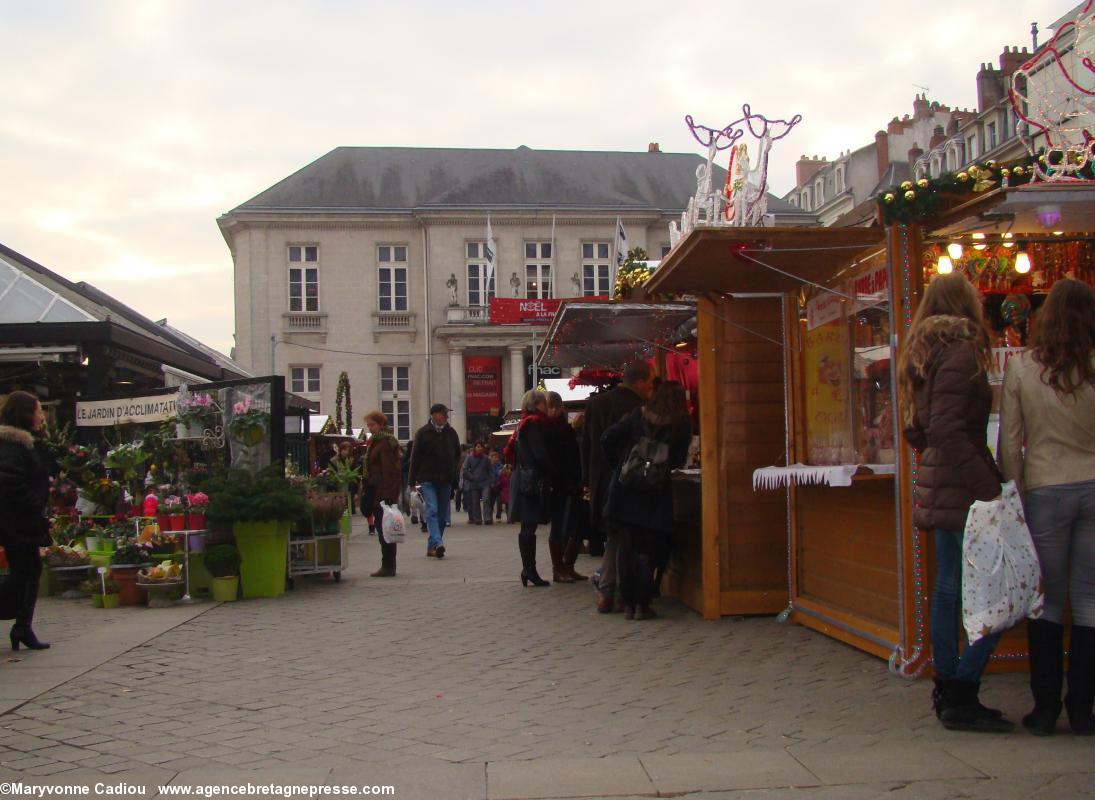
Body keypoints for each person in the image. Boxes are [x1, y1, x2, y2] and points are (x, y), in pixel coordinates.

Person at [898, 272, 1010, 733]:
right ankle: (962, 686)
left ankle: (948, 684)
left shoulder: (919, 351)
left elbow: (916, 430)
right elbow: (947, 427)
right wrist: (989, 485)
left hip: (940, 481)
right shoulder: (961, 349)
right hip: (964, 486)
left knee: (948, 587)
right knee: (999, 592)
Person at [999, 279, 1095, 736]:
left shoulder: (1022, 369)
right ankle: (1082, 708)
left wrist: (1016, 494)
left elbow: (1009, 446)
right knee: (1091, 600)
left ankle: (1044, 708)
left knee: (1047, 601)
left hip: (1044, 488)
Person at [601, 381, 691, 619]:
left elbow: (607, 438)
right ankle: (643, 601)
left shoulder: (636, 415)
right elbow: (680, 459)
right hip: (656, 491)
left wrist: (619, 466)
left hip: (627, 489)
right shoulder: (681, 423)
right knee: (650, 547)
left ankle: (628, 603)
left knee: (626, 545)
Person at [582, 361, 655, 612]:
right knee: (627, 538)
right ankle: (620, 593)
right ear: (639, 382)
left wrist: (587, 481)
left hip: (601, 479)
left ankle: (607, 590)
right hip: (631, 481)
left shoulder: (596, 403)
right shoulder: (641, 409)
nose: (651, 388)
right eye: (650, 382)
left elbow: (587, 446)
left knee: (615, 535)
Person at [0, 391, 52, 650]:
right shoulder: (12, 446)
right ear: (26, 414)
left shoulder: (24, 444)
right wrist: (34, 504)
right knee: (25, 573)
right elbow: (9, 482)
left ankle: (23, 626)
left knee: (29, 571)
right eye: (38, 410)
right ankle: (21, 625)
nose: (41, 416)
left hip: (21, 521)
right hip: (16, 523)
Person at [506, 389, 553, 587]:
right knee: (529, 525)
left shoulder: (522, 424)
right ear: (537, 404)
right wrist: (552, 471)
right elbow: (540, 454)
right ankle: (529, 570)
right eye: (544, 402)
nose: (547, 406)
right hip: (531, 479)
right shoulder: (534, 424)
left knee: (528, 525)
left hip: (523, 476)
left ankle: (529, 569)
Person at [408, 403, 461, 559]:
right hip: (428, 479)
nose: (446, 416)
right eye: (443, 414)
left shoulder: (451, 433)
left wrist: (452, 470)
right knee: (432, 510)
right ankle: (438, 543)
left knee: (443, 516)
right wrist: (412, 480)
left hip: (445, 479)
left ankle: (432, 547)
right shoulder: (423, 433)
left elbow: (457, 454)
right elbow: (415, 458)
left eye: (446, 414)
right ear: (434, 415)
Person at [545, 391, 585, 583]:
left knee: (576, 525)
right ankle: (558, 568)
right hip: (556, 484)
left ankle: (568, 565)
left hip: (573, 481)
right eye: (550, 406)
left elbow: (574, 456)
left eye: (556, 406)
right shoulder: (544, 428)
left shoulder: (566, 429)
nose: (554, 410)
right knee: (559, 527)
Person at [360, 411, 402, 577]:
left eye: (372, 425)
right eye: (369, 425)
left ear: (381, 424)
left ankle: (388, 566)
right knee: (384, 529)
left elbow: (390, 470)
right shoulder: (377, 442)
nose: (370, 428)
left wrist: (388, 495)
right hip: (377, 490)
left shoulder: (385, 443)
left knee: (385, 530)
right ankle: (388, 565)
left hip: (383, 493)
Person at [461, 442, 492, 525]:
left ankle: (487, 518)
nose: (479, 448)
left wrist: (490, 481)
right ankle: (477, 519)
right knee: (475, 502)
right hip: (474, 483)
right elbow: (465, 469)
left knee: (486, 499)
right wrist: (472, 477)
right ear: (474, 448)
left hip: (485, 482)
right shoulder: (469, 457)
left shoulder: (486, 458)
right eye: (478, 446)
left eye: (481, 446)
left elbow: (490, 470)